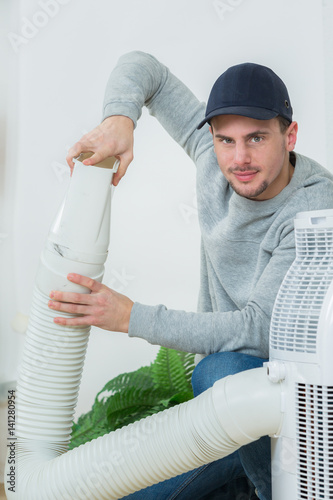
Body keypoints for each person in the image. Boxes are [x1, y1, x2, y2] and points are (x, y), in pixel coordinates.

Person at [48, 51, 333, 499]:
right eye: (226, 140)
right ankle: (240, 479)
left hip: (296, 404)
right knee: (123, 491)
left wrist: (130, 317)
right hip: (229, 412)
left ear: (289, 134)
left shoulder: (314, 207)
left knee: (223, 370)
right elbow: (145, 69)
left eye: (257, 138)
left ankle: (265, 490)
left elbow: (257, 330)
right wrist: (119, 119)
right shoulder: (210, 153)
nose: (239, 158)